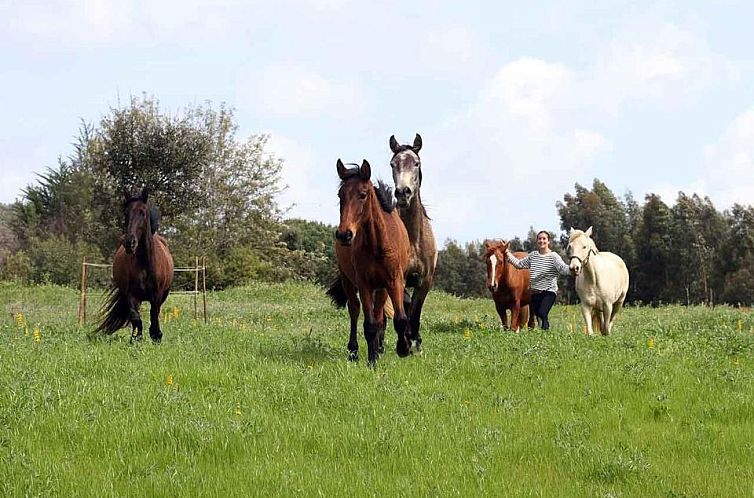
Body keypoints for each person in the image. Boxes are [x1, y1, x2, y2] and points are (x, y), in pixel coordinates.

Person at [504, 230, 571, 330]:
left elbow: (563, 268)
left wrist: (572, 269)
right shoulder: (533, 256)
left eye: (544, 239)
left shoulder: (554, 256)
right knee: (539, 316)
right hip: (535, 292)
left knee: (542, 312)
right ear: (537, 241)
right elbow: (519, 264)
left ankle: (546, 333)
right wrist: (507, 253)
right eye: (539, 239)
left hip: (549, 292)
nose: (542, 241)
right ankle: (542, 336)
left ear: (548, 242)